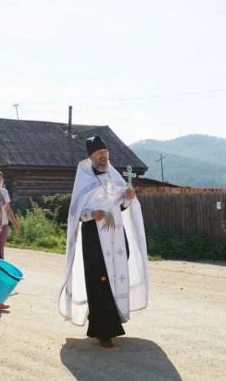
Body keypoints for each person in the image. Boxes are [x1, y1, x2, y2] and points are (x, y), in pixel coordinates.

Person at [58, 135, 149, 348]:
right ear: (91, 157)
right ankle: (104, 332)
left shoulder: (114, 176)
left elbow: (121, 205)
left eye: (105, 153)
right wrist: (92, 214)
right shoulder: (84, 178)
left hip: (116, 236)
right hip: (94, 236)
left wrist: (128, 196)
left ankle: (100, 324)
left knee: (114, 277)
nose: (104, 156)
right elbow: (75, 212)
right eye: (99, 153)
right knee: (99, 280)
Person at [0, 171, 21, 311]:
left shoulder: (4, 192)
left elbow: (7, 209)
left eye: (0, 179)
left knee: (0, 254)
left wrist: (15, 224)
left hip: (3, 225)